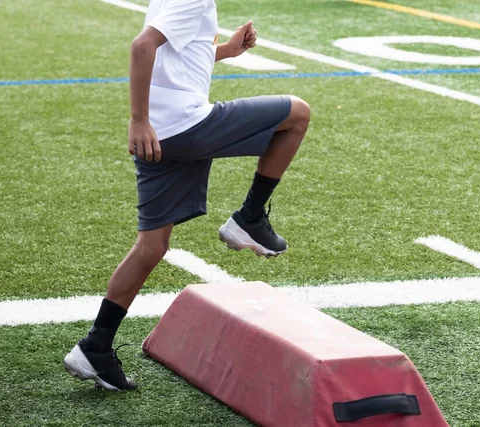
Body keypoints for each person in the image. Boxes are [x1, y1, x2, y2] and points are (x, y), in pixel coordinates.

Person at [63, 0, 310, 391]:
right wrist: (138, 120)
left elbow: (174, 55)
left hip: (161, 135)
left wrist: (226, 51)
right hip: (182, 126)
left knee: (151, 246)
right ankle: (249, 217)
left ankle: (96, 345)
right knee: (297, 113)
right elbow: (142, 46)